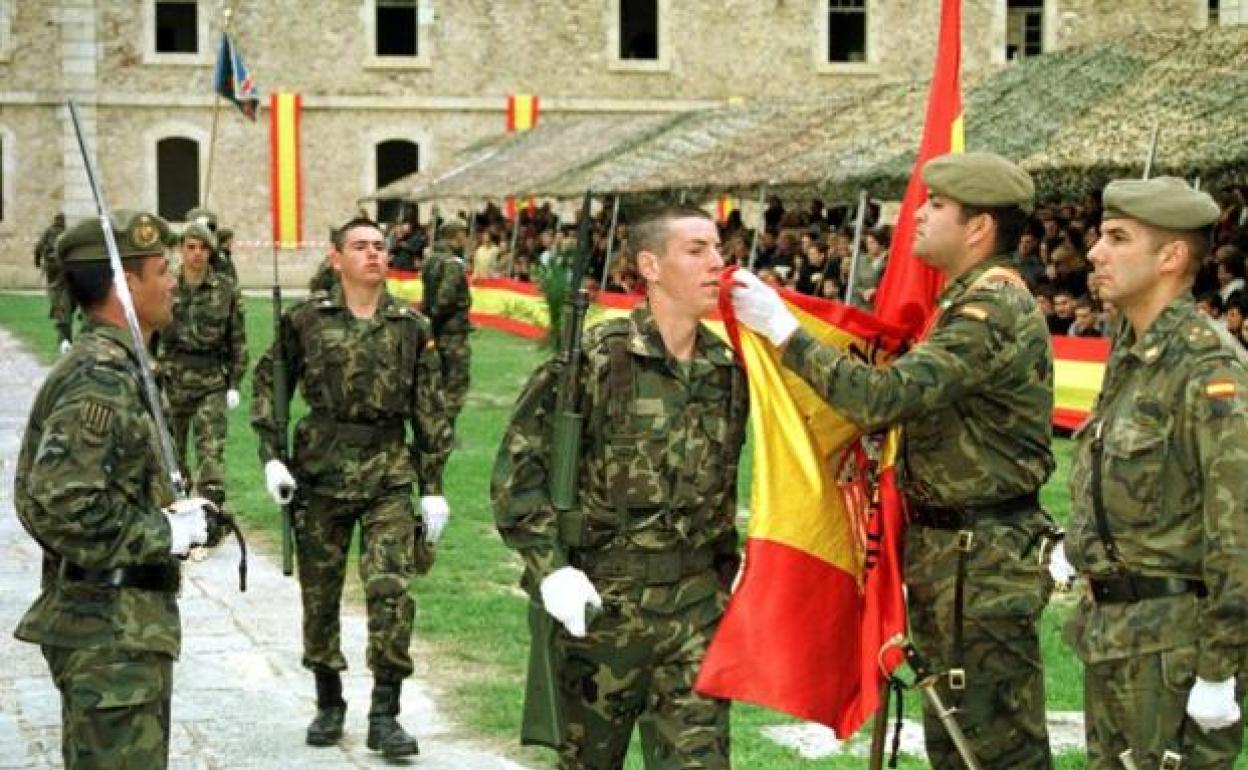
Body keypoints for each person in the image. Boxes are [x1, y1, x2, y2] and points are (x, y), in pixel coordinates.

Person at [731, 152, 1058, 769]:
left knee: (993, 747)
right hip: (958, 561)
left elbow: (879, 399)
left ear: (978, 228)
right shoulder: (964, 306)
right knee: (960, 740)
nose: (920, 214)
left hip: (979, 567)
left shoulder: (988, 314)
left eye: (937, 205)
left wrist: (785, 330)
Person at [492, 206, 749, 770]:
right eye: (697, 250)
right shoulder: (592, 360)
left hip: (695, 610)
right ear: (650, 266)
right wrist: (551, 569)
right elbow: (518, 478)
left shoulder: (727, 371)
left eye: (718, 250)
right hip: (603, 608)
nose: (717, 264)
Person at [1057, 176, 1247, 770]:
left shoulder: (1207, 366)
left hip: (1174, 654)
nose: (1094, 252)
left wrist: (1218, 669)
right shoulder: (1134, 356)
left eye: (1117, 238)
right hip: (1118, 639)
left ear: (1170, 256)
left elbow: (1238, 534)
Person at [13, 210, 211, 769]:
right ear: (125, 285)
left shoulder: (123, 366)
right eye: (159, 270)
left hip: (124, 629)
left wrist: (175, 515)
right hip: (109, 635)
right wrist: (165, 532)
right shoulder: (99, 375)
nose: (173, 281)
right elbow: (61, 502)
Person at [250, 216, 453, 758]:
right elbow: (271, 385)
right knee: (320, 596)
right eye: (360, 246)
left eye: (380, 247)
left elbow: (431, 408)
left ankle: (386, 713)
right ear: (336, 257)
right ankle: (328, 699)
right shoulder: (306, 321)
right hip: (320, 474)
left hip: (388, 471)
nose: (373, 254)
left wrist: (433, 486)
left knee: (391, 591)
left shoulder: (410, 325)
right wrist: (273, 458)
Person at [156, 222, 248, 546]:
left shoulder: (226, 290)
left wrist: (235, 382)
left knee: (210, 451)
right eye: (190, 247)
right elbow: (152, 334)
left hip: (211, 380)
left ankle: (211, 516)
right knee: (172, 453)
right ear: (182, 249)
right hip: (173, 380)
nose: (196, 255)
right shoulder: (166, 285)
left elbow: (238, 341)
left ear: (211, 252)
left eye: (203, 248)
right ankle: (177, 514)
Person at [421, 217, 474, 432]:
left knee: (436, 380)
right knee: (455, 382)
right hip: (451, 331)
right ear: (454, 237)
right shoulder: (452, 263)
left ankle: (433, 425)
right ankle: (444, 429)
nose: (466, 239)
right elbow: (445, 297)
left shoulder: (432, 259)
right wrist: (437, 316)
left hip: (436, 329)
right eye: (463, 235)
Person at [33, 213, 74, 352]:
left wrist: (37, 262)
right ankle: (60, 309)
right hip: (62, 266)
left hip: (51, 266)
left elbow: (38, 247)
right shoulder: (66, 232)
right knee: (63, 291)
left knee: (54, 290)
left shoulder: (48, 231)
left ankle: (57, 309)